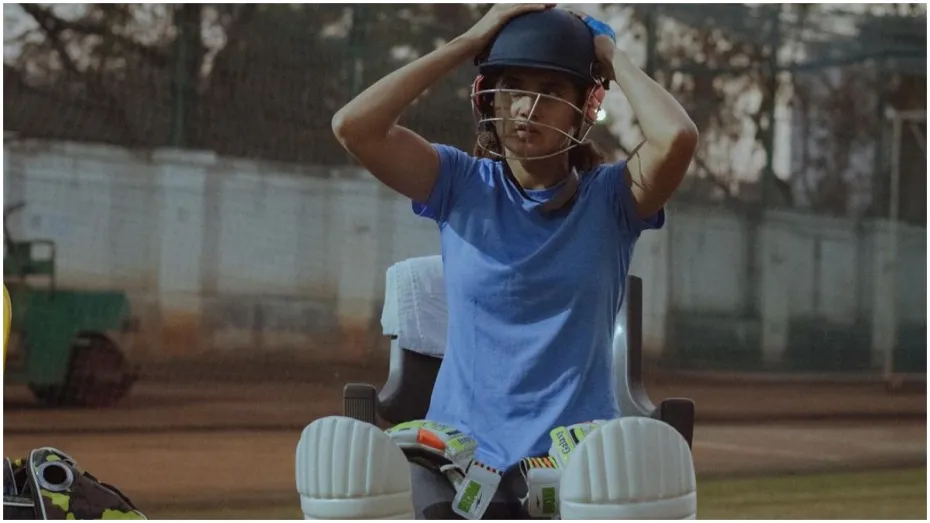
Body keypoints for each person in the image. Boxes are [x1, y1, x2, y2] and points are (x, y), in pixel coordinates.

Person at [296, 5, 698, 520]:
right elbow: (354, 126)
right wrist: (471, 40)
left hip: (578, 467)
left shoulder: (613, 200)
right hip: (453, 461)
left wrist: (609, 58)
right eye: (513, 87)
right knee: (347, 484)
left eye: (551, 92)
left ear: (583, 108)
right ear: (489, 97)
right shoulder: (459, 184)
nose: (528, 108)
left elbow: (677, 137)